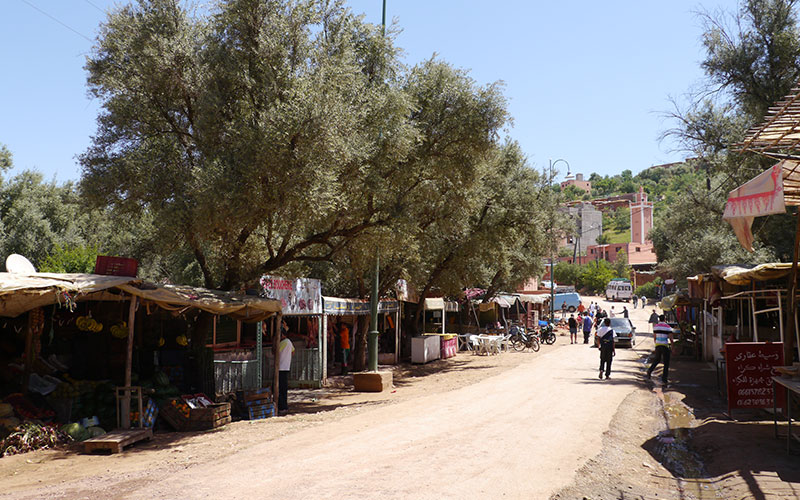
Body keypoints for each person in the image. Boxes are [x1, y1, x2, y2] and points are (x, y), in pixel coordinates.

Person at [647, 315, 674, 385]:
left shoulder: (656, 327)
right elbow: (671, 339)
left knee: (657, 360)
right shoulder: (668, 327)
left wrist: (656, 344)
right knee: (666, 363)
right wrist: (673, 348)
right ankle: (664, 378)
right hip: (665, 345)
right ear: (665, 319)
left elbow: (655, 337)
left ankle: (649, 371)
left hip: (658, 345)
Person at [278, 331, 295, 416]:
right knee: (284, 388)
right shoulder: (289, 342)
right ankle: (284, 406)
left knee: (280, 389)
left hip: (280, 367)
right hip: (286, 366)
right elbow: (293, 352)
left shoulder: (282, 343)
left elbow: (276, 352)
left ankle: (282, 407)